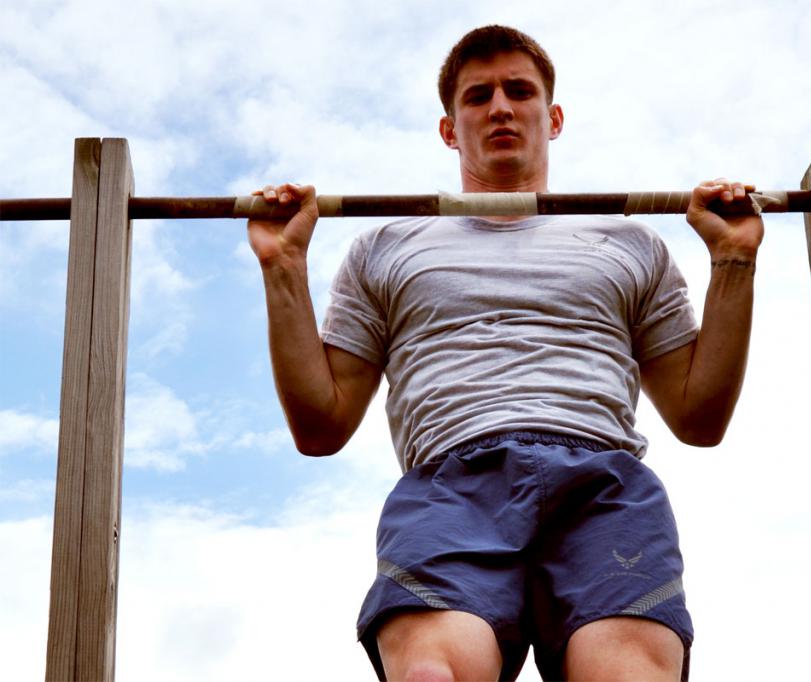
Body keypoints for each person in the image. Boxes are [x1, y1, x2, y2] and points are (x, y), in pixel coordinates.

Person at [247, 25, 763, 682]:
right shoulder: (386, 247)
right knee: (433, 676)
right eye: (478, 96)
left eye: (519, 91)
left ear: (553, 117)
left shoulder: (629, 244)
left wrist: (734, 259)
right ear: (449, 128)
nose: (499, 108)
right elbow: (321, 428)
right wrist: (284, 265)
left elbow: (700, 417)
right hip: (453, 487)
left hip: (603, 489)